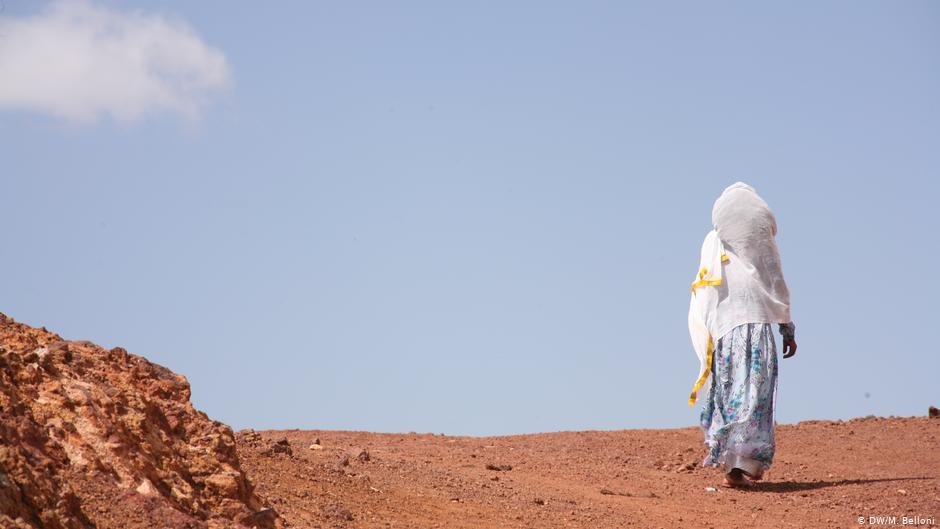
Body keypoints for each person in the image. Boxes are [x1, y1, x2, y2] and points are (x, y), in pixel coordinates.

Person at [687, 182, 797, 488]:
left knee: (733, 392)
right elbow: (777, 285)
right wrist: (787, 329)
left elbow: (703, 298)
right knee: (753, 394)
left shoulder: (713, 246)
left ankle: (734, 463)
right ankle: (742, 463)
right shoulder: (761, 254)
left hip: (725, 335)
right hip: (757, 330)